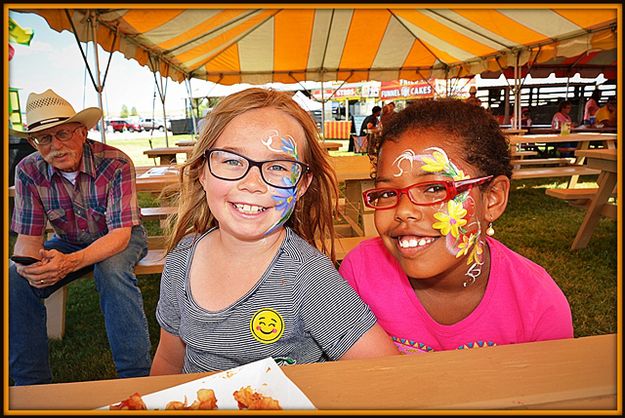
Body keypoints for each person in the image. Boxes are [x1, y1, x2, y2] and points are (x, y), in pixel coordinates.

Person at [150, 88, 399, 375]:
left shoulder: (309, 276)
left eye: (279, 166)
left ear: (303, 184)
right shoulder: (181, 261)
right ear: (202, 171)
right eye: (231, 161)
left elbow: (385, 371)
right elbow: (168, 361)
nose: (253, 183)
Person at [339, 99, 573, 354]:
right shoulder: (360, 274)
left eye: (435, 188)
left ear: (492, 198)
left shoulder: (538, 304)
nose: (404, 210)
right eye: (386, 193)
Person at [9, 89, 152, 385]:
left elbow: (120, 235)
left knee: (111, 269)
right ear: (34, 143)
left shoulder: (115, 162)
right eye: (44, 139)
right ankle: (30, 386)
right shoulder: (27, 170)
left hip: (120, 236)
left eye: (62, 134)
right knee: (14, 278)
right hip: (70, 240)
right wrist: (27, 264)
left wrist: (69, 263)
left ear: (82, 131)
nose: (55, 147)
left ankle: (136, 379)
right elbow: (29, 237)